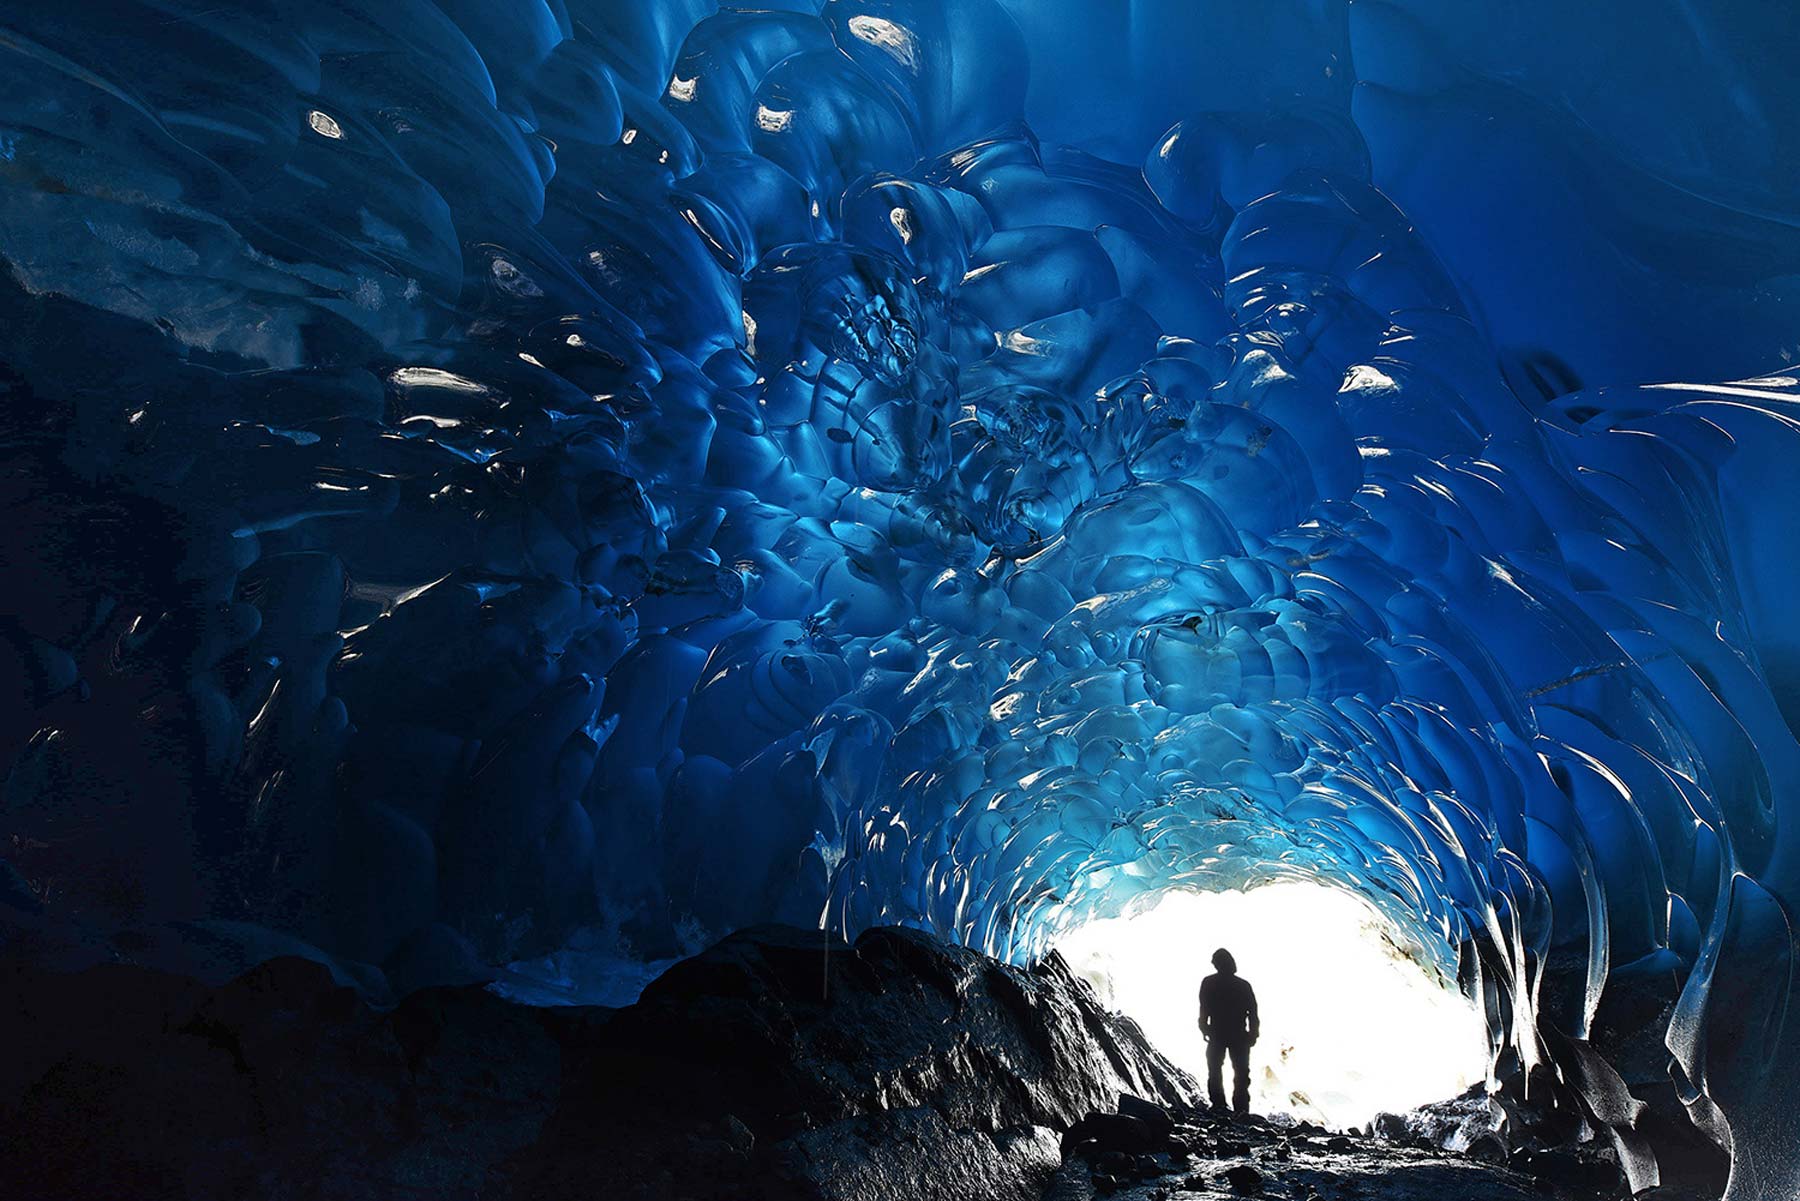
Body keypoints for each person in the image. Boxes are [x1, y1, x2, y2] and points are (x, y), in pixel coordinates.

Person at [1198, 947, 1258, 1115]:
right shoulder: (1243, 985)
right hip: (1238, 1034)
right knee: (1240, 1073)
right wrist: (1253, 1034)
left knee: (1216, 1070)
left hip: (1218, 1033)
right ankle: (1241, 1109)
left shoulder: (1208, 982)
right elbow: (1253, 1012)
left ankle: (1219, 1105)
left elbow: (1204, 1009)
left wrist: (1204, 1027)